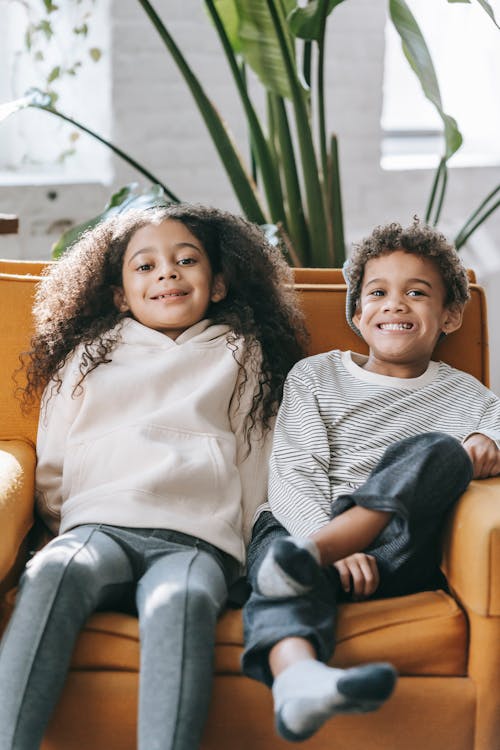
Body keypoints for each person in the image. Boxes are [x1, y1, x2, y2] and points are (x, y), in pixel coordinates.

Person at [0, 203, 308, 750]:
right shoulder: (91, 355)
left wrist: (237, 550)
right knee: (51, 575)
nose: (166, 272)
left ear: (217, 284)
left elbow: (259, 463)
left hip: (197, 542)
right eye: (144, 266)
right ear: (119, 294)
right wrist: (66, 520)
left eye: (186, 260)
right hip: (98, 527)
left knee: (181, 603)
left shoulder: (242, 353)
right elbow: (52, 461)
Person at [241, 218, 500, 743]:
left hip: (393, 547)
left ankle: (327, 549)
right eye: (378, 292)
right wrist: (323, 542)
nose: (395, 304)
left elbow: (492, 437)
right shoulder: (316, 375)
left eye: (417, 292)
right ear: (358, 314)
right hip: (302, 531)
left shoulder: (468, 395)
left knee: (443, 451)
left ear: (451, 315)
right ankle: (298, 680)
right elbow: (293, 471)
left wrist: (485, 445)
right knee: (281, 569)